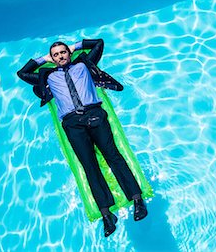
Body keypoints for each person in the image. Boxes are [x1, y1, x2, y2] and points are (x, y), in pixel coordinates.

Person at [17, 38, 147, 237]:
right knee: (90, 165)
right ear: (52, 59)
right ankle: (107, 215)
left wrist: (75, 47)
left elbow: (99, 44)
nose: (60, 56)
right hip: (72, 124)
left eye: (63, 52)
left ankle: (137, 200)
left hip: (95, 115)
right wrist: (44, 59)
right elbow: (22, 73)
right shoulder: (47, 74)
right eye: (56, 54)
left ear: (68, 53)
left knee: (113, 156)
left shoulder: (84, 64)